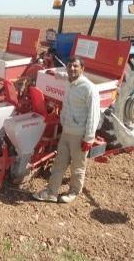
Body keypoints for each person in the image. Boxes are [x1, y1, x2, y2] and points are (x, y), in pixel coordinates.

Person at [33, 56, 100, 203]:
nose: (72, 69)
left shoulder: (89, 88)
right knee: (59, 163)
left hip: (79, 134)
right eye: (69, 66)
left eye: (76, 66)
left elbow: (94, 115)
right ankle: (51, 193)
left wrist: (89, 138)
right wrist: (53, 73)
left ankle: (74, 192)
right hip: (66, 131)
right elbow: (65, 75)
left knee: (77, 165)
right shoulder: (70, 81)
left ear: (82, 69)